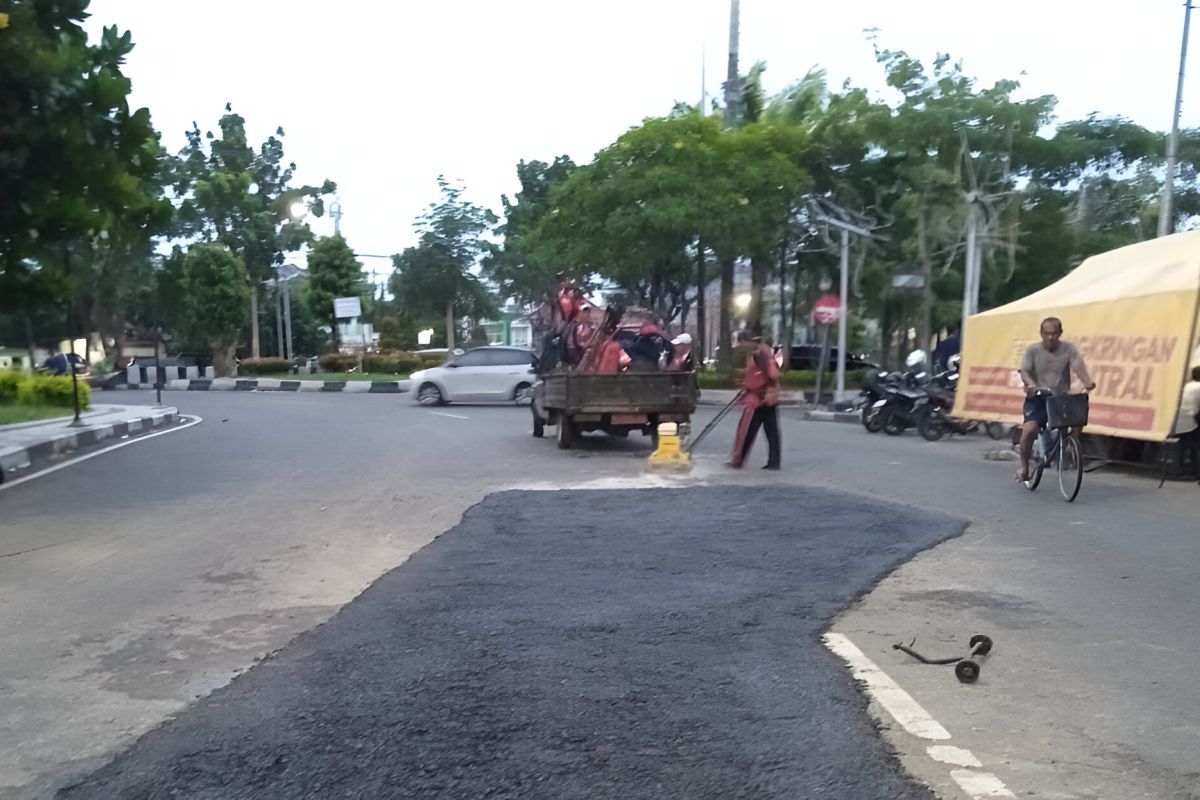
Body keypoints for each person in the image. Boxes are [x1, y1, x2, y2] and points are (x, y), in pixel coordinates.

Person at [1016, 317, 1095, 482]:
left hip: (1060, 398)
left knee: (1080, 408)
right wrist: (1032, 385)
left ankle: (1070, 445)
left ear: (1060, 333)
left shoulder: (1068, 349)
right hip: (1038, 398)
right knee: (1029, 431)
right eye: (1047, 333)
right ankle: (1025, 466)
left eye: (1054, 333)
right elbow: (1025, 371)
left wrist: (1087, 382)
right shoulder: (1033, 350)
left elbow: (1078, 365)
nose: (1050, 337)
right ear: (1041, 333)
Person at [728, 330, 782, 470]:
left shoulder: (761, 353)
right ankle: (774, 461)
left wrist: (756, 388)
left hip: (762, 398)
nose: (741, 348)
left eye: (741, 344)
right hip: (768, 397)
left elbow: (772, 374)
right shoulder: (760, 351)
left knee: (748, 429)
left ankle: (738, 460)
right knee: (771, 431)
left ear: (746, 341)